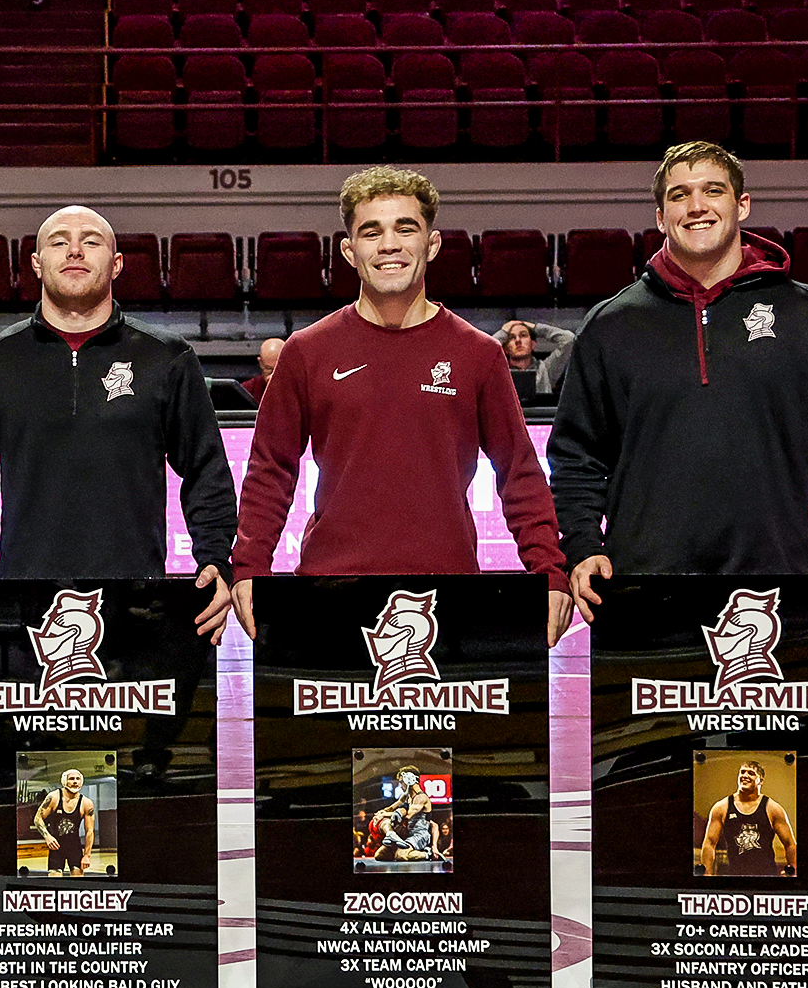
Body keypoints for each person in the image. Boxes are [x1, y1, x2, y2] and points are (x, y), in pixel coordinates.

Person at [548, 142, 808, 623]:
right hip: (641, 588)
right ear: (661, 217)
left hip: (775, 586)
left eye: (712, 190)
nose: (696, 206)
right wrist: (581, 544)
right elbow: (576, 456)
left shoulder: (804, 314)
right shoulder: (611, 325)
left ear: (742, 205)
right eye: (679, 196)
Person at [232, 166, 574, 647]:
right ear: (349, 252)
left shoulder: (477, 353)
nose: (389, 244)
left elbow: (518, 470)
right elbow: (270, 469)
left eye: (405, 228)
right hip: (329, 593)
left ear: (431, 245)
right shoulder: (307, 352)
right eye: (372, 232)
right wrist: (249, 566)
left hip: (450, 595)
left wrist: (549, 568)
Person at [0, 205, 237, 644]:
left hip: (139, 599)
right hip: (25, 599)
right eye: (59, 241)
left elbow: (207, 471)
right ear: (37, 264)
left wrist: (215, 558)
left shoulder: (167, 358)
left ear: (116, 264)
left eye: (91, 241)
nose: (75, 250)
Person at [699, 760, 798, 876]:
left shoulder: (773, 809)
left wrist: (794, 871)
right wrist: (706, 873)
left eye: (751, 773)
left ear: (760, 780)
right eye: (742, 772)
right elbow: (709, 843)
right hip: (735, 875)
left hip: (767, 876)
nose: (745, 776)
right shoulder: (721, 808)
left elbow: (790, 844)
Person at [33, 768, 97, 876]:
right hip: (56, 847)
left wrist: (87, 855)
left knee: (78, 879)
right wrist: (47, 836)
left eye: (78, 779)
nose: (75, 782)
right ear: (64, 781)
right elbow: (37, 818)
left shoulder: (86, 803)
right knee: (54, 878)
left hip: (74, 847)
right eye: (71, 779)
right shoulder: (53, 797)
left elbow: (89, 831)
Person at [493, 319, 575, 396]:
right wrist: (503, 332)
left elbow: (568, 339)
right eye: (512, 337)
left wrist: (536, 328)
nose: (518, 340)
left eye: (523, 335)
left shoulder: (546, 369)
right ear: (505, 349)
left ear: (533, 344)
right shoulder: (499, 372)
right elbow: (484, 352)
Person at [372, 767, 434, 862]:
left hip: (419, 834)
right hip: (406, 833)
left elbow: (408, 815)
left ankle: (427, 853)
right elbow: (391, 808)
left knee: (400, 856)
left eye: (401, 782)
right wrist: (380, 812)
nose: (400, 785)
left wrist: (384, 815)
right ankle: (399, 844)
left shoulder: (421, 797)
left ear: (409, 779)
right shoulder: (406, 796)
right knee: (380, 855)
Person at [243, 336, 283, 405]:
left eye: (277, 370)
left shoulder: (300, 390)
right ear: (261, 363)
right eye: (268, 369)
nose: (270, 377)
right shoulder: (248, 390)